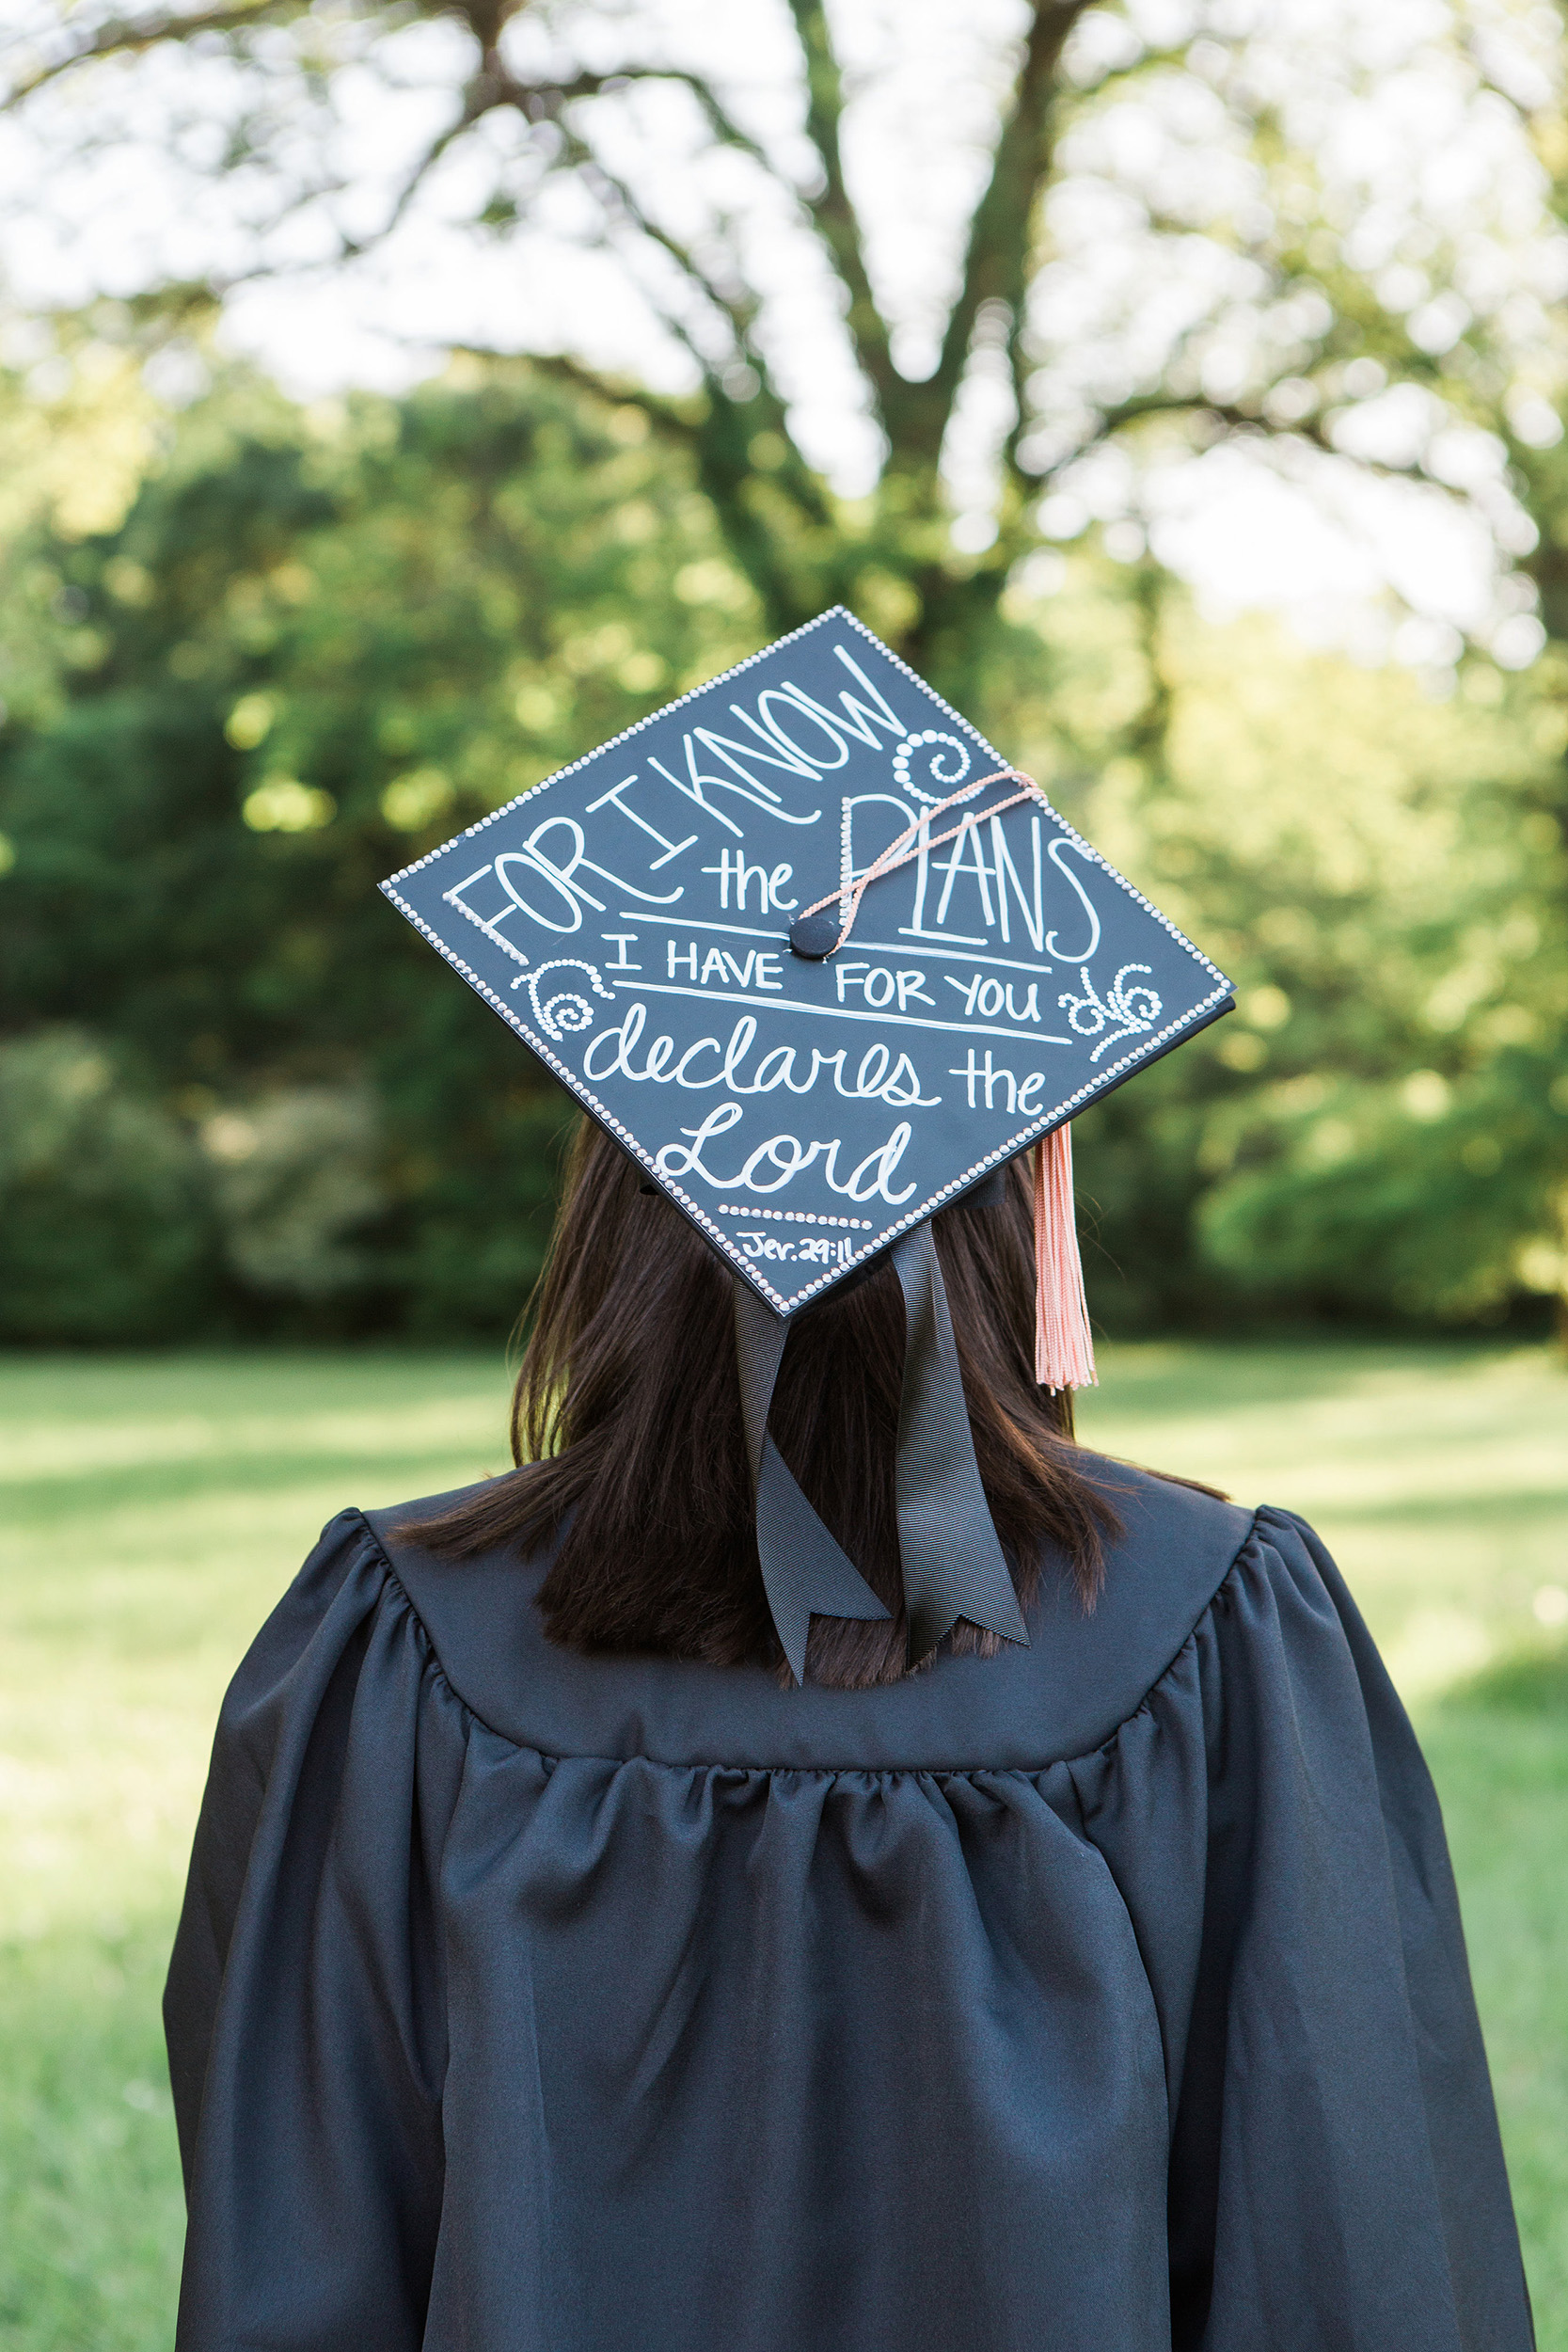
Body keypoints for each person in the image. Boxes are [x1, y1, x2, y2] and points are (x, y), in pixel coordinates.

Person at [165, 1123, 1533, 2352]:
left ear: (617, 1203)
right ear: (1016, 1197)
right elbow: (1346, 2246)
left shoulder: (398, 1634)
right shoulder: (1215, 1619)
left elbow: (298, 2240)